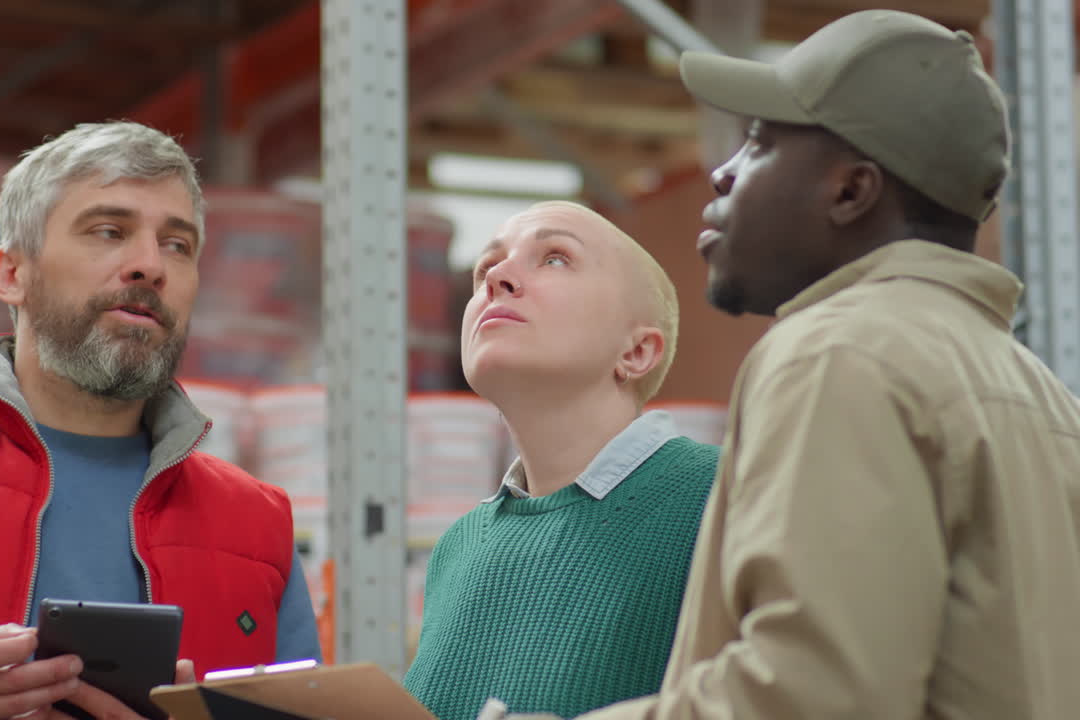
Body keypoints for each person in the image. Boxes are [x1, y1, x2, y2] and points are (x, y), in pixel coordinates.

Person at [488, 9, 1080, 720]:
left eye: (760, 143)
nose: (722, 171)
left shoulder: (838, 354)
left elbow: (812, 698)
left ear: (851, 191)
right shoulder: (1041, 396)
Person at [0, 121, 321, 720]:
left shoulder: (258, 529)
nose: (150, 265)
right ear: (11, 274)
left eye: (177, 244)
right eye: (109, 231)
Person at [403, 200, 718, 720]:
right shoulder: (458, 547)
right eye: (487, 266)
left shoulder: (722, 496)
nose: (497, 277)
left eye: (555, 258)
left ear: (637, 352)